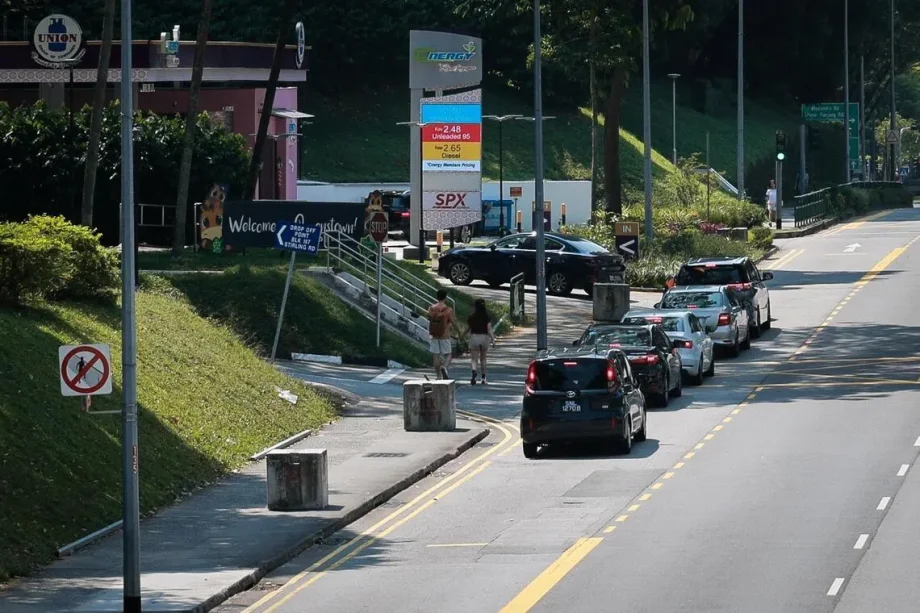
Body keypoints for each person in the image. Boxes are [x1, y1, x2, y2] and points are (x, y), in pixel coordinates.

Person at [427, 288, 459, 379]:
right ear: (445, 297)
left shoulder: (431, 308)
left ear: (437, 297)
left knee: (435, 355)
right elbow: (454, 322)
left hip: (434, 334)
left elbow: (429, 318)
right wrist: (459, 332)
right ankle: (444, 367)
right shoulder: (448, 310)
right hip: (445, 335)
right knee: (448, 354)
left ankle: (438, 376)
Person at [467, 298, 496, 385]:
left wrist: (462, 335)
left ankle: (474, 372)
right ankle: (483, 378)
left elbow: (469, 328)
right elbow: (489, 329)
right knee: (483, 358)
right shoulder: (486, 316)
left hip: (474, 337)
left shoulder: (471, 317)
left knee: (474, 358)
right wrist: (493, 339)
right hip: (484, 337)